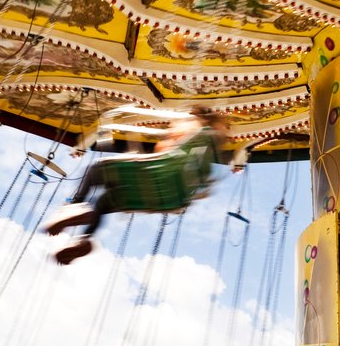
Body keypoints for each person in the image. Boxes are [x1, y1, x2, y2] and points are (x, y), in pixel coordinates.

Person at [44, 109, 230, 265]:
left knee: (95, 170)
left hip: (158, 174)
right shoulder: (202, 156)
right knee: (102, 203)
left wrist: (181, 132)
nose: (172, 126)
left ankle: (73, 206)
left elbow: (181, 143)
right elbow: (202, 179)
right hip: (164, 198)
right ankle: (83, 240)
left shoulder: (197, 132)